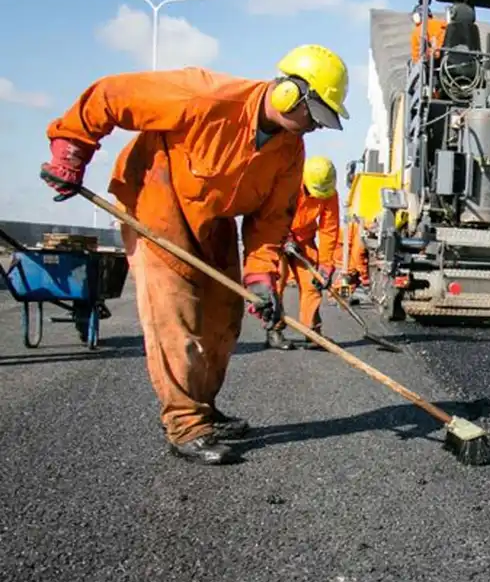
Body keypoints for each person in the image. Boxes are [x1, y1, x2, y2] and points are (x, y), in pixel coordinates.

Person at [40, 44, 351, 466]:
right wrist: (71, 150)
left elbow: (271, 220)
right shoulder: (204, 96)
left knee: (225, 318)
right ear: (289, 94)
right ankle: (185, 423)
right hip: (157, 202)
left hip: (214, 218)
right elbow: (111, 96)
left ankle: (202, 406)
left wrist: (262, 278)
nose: (314, 127)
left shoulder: (290, 150)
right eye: (314, 115)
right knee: (176, 316)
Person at [267, 155, 342, 351]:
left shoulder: (329, 194)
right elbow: (274, 213)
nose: (318, 197)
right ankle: (274, 330)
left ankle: (312, 333)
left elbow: (329, 229)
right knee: (278, 282)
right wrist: (286, 237)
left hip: (304, 241)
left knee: (312, 283)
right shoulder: (288, 182)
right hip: (278, 237)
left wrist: (326, 264)